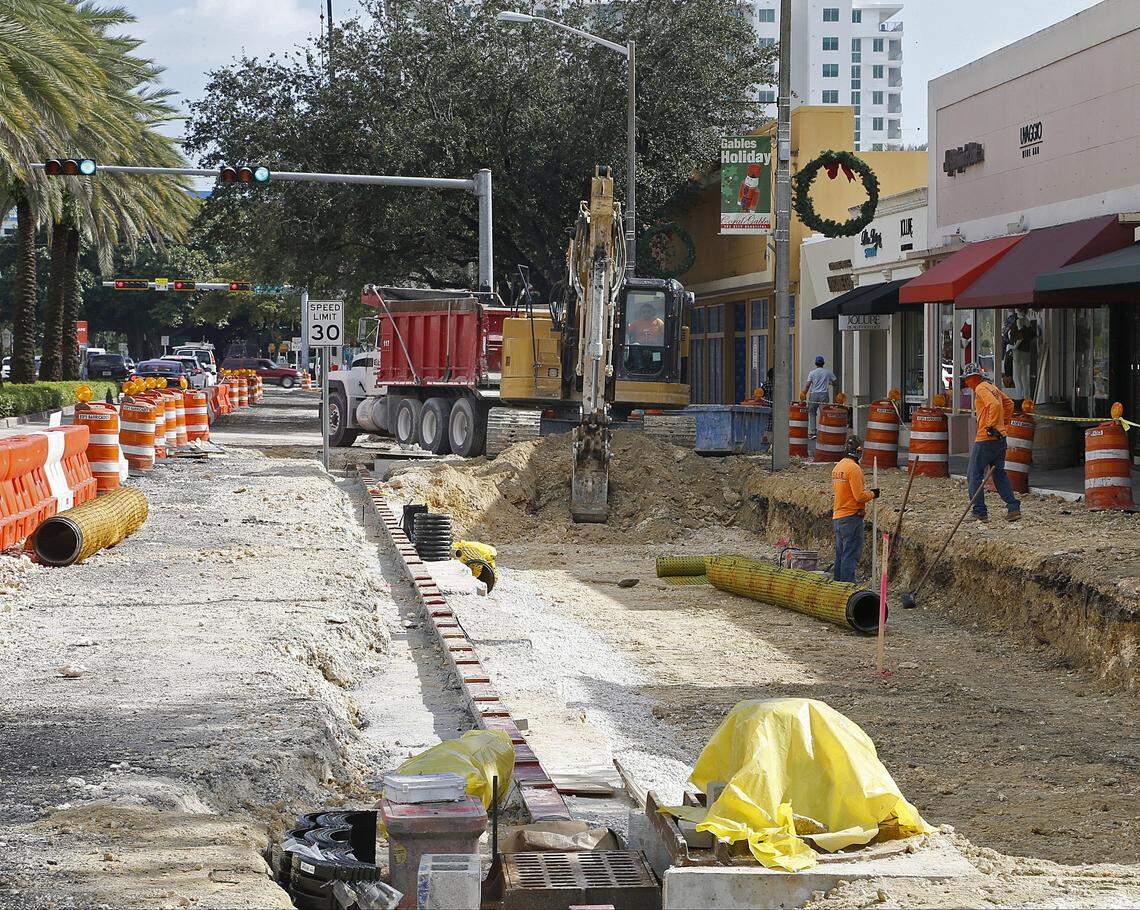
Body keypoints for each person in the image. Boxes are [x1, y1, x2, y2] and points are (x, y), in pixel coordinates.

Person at [962, 362, 1020, 523]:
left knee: (973, 475)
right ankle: (1013, 507)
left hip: (986, 439)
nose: (966, 382)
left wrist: (990, 426)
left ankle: (979, 511)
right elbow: (1009, 403)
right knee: (999, 474)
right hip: (1000, 438)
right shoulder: (991, 387)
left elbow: (994, 405)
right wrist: (1003, 423)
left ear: (972, 378)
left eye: (966, 379)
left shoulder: (981, 388)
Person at [831, 435, 879, 583]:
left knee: (840, 555)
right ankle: (847, 587)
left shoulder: (838, 467)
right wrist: (873, 494)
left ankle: (837, 587)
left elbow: (843, 493)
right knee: (850, 555)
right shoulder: (854, 469)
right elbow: (859, 496)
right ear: (858, 451)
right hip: (851, 518)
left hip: (838, 516)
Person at [802, 355, 838, 437]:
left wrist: (804, 394)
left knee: (812, 413)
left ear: (816, 363)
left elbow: (807, 385)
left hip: (813, 395)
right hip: (823, 395)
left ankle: (813, 432)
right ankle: (823, 431)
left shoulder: (812, 373)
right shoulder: (827, 372)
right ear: (823, 363)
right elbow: (835, 382)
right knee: (823, 413)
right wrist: (830, 383)